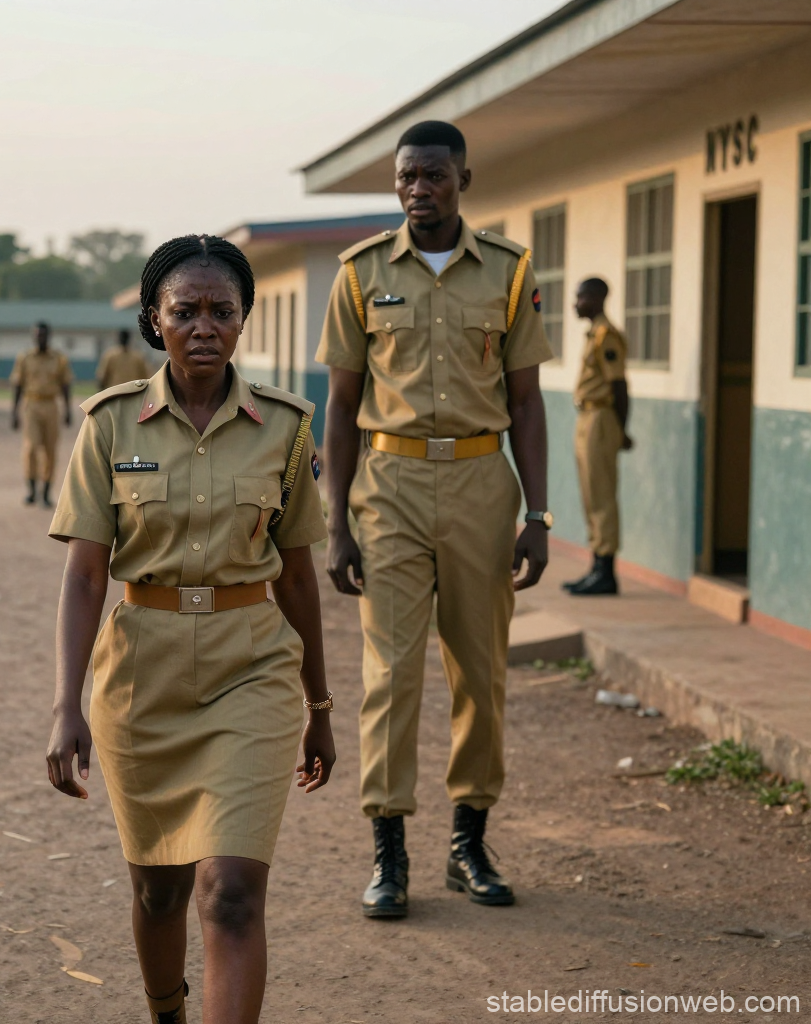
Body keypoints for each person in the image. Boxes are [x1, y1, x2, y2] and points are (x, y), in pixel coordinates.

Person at [45, 234, 335, 1024]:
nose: (205, 325)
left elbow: (300, 578)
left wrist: (320, 709)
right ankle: (166, 1012)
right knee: (159, 887)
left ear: (243, 321)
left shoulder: (287, 427)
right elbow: (84, 575)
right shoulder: (109, 426)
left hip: (254, 670)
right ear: (154, 319)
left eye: (222, 310)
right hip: (143, 677)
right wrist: (66, 705)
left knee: (232, 893)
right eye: (186, 310)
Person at [317, 120, 553, 918]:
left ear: (464, 180)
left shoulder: (511, 273)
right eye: (407, 177)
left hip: (485, 486)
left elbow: (527, 401)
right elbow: (341, 407)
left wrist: (539, 512)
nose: (419, 189)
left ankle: (468, 843)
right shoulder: (358, 275)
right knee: (389, 674)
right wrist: (337, 523)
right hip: (389, 488)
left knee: (480, 672)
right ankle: (389, 853)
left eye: (434, 176)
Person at [562, 277, 632, 596]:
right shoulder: (593, 334)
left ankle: (606, 571)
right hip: (587, 415)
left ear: (596, 298)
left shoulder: (607, 336)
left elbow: (619, 386)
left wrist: (621, 429)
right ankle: (596, 566)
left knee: (601, 495)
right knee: (590, 494)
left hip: (602, 418)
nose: (575, 304)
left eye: (580, 298)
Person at [10, 321, 73, 507]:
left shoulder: (58, 359)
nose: (40, 338)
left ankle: (46, 491)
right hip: (32, 404)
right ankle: (31, 489)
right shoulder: (25, 358)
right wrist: (14, 411)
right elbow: (18, 384)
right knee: (31, 447)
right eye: (37, 335)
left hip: (51, 405)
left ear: (49, 336)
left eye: (43, 335)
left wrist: (68, 409)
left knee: (50, 449)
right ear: (33, 336)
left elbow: (66, 384)